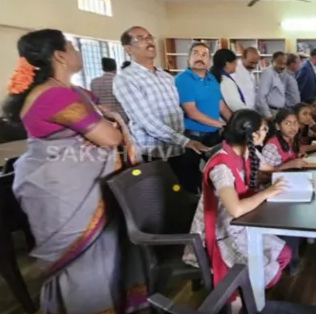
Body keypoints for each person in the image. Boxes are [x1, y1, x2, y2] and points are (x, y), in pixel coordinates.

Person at [3, 29, 147, 314]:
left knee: (104, 249)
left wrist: (109, 118)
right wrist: (115, 123)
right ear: (59, 55)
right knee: (83, 260)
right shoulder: (53, 96)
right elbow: (108, 137)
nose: (76, 50)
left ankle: (111, 309)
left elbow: (100, 113)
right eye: (71, 46)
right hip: (61, 189)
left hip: (81, 184)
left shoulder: (71, 91)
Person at [182, 109, 294, 314]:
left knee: (284, 254)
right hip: (221, 231)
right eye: (263, 129)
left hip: (241, 223)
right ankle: (238, 304)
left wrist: (297, 181)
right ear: (251, 135)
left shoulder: (247, 150)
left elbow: (269, 168)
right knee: (268, 269)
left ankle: (247, 295)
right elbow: (234, 209)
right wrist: (269, 191)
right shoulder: (221, 166)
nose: (266, 133)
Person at [113, 26, 208, 185]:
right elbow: (146, 121)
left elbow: (176, 110)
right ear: (128, 49)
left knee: (187, 193)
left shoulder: (165, 76)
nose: (149, 41)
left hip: (179, 148)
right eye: (141, 38)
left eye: (150, 37)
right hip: (154, 153)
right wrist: (187, 141)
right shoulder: (125, 79)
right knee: (164, 200)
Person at [175, 42, 232, 193]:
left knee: (221, 172)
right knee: (191, 180)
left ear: (209, 60)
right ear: (189, 58)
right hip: (193, 137)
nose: (200, 58)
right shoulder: (183, 79)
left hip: (213, 135)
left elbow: (222, 106)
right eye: (196, 54)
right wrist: (221, 124)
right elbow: (191, 112)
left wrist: (234, 122)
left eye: (204, 55)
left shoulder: (212, 79)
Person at [90, 57, 127, 123]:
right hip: (121, 117)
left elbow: (94, 101)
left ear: (103, 68)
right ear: (115, 68)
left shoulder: (94, 82)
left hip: (103, 118)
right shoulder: (120, 81)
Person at [211, 48, 247, 113]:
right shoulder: (225, 81)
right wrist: (249, 114)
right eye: (235, 62)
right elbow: (235, 104)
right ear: (227, 64)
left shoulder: (213, 77)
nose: (236, 65)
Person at [256, 51, 287, 120]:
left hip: (279, 111)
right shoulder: (268, 73)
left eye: (284, 64)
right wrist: (268, 115)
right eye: (279, 63)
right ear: (272, 61)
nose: (282, 66)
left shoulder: (279, 74)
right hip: (272, 112)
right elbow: (261, 96)